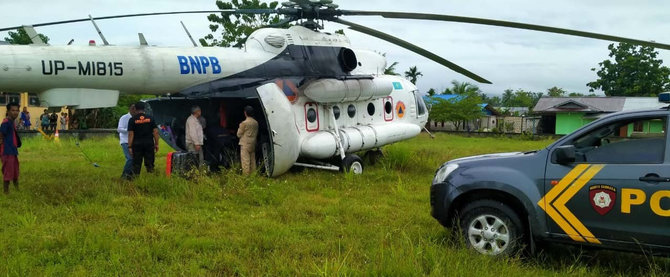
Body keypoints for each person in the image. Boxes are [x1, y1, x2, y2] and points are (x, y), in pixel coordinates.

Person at [127, 102, 159, 178]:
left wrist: (130, 147)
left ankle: (135, 178)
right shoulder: (150, 118)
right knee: (150, 163)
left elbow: (130, 134)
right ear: (144, 108)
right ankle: (151, 178)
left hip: (137, 144)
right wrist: (156, 143)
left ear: (135, 109)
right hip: (149, 144)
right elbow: (155, 132)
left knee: (137, 163)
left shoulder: (132, 120)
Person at [0, 103, 22, 193]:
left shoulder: (11, 122)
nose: (15, 112)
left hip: (13, 151)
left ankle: (17, 189)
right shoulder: (5, 123)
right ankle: (6, 192)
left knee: (15, 171)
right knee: (8, 171)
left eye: (17, 110)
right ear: (8, 111)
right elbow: (1, 135)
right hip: (6, 151)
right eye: (13, 110)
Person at [237, 106, 258, 175]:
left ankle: (246, 177)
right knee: (252, 161)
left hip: (245, 144)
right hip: (253, 143)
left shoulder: (244, 123)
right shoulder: (256, 123)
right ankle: (253, 175)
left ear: (245, 113)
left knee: (245, 161)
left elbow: (238, 134)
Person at [117, 104, 136, 180]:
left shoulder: (136, 118)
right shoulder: (124, 117)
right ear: (130, 109)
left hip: (133, 141)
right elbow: (119, 129)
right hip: (125, 141)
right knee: (130, 158)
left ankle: (130, 175)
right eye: (133, 108)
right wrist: (129, 130)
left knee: (133, 159)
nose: (134, 110)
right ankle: (124, 176)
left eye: (135, 108)